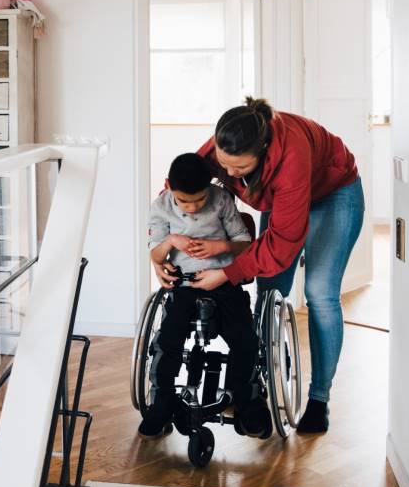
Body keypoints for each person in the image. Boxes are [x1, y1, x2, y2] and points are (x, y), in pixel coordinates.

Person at [155, 97, 364, 434]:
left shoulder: (291, 156)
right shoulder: (226, 144)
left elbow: (281, 244)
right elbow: (180, 191)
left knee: (320, 292)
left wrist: (226, 272)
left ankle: (319, 400)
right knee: (269, 294)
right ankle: (254, 382)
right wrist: (164, 250)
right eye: (225, 165)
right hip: (281, 199)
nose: (229, 174)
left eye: (239, 169)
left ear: (264, 149)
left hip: (333, 194)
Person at [142, 153, 273, 440]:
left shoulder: (221, 200)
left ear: (210, 188)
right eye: (183, 201)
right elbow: (155, 254)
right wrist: (172, 241)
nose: (191, 207)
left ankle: (246, 402)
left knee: (245, 340)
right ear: (169, 189)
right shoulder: (161, 207)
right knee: (168, 340)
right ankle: (162, 402)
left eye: (199, 200)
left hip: (223, 281)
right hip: (184, 283)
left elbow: (244, 244)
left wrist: (218, 247)